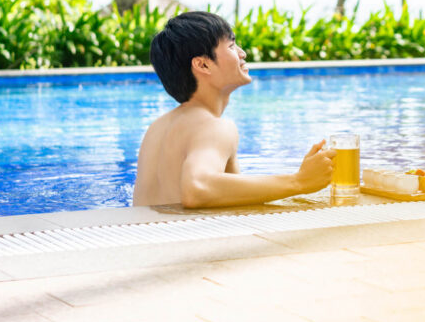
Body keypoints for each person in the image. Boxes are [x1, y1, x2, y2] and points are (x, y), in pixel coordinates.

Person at [133, 11, 335, 208]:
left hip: (141, 238)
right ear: (203, 64)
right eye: (231, 46)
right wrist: (299, 181)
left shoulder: (156, 129)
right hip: (185, 240)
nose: (242, 53)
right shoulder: (214, 127)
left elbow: (230, 195)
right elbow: (197, 188)